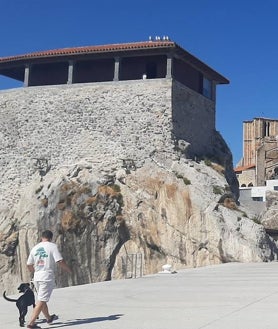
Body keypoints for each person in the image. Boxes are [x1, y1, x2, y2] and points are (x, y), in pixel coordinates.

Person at [26, 230, 72, 329]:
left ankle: (48, 318)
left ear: (41, 237)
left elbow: (29, 264)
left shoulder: (35, 248)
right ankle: (31, 323)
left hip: (37, 277)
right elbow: (59, 261)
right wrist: (68, 270)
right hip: (46, 276)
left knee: (41, 299)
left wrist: (34, 272)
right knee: (42, 300)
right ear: (51, 238)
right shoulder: (52, 246)